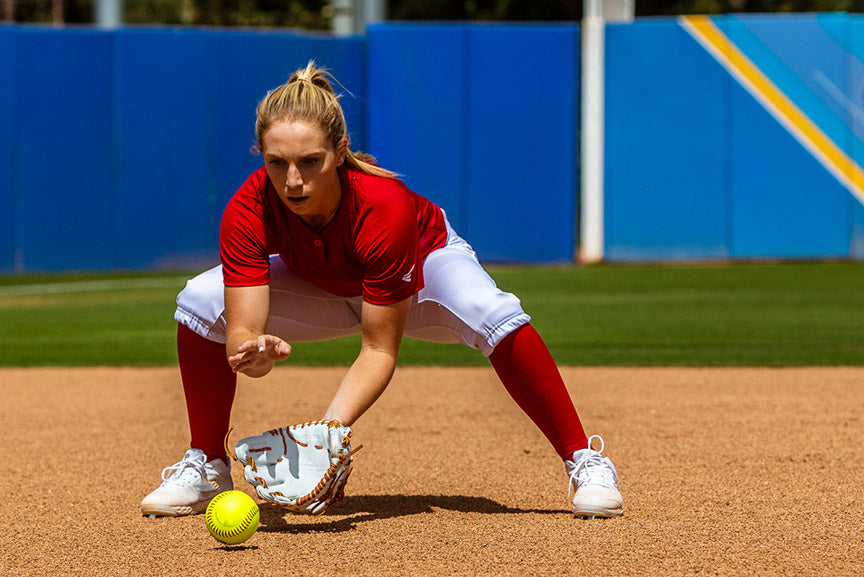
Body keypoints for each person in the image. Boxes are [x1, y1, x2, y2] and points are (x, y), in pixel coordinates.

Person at [140, 61, 623, 520]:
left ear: (341, 149)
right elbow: (244, 337)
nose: (292, 180)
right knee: (198, 300)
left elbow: (379, 349)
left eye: (310, 161)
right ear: (259, 155)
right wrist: (256, 353)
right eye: (276, 162)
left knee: (490, 310)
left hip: (424, 269)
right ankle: (207, 464)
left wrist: (326, 439)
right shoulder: (248, 207)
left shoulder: (381, 205)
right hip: (324, 283)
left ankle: (583, 459)